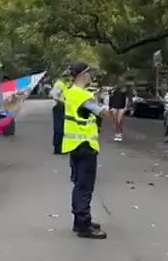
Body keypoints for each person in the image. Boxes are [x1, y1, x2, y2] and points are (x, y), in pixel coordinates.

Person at [62, 62, 109, 239]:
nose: (91, 76)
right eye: (89, 73)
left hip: (75, 146)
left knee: (79, 184)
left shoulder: (71, 93)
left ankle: (79, 221)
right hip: (85, 146)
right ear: (82, 75)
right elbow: (104, 114)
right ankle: (83, 224)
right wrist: (107, 108)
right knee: (84, 186)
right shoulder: (82, 95)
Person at [49, 72, 72, 154]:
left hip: (64, 107)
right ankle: (58, 147)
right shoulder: (59, 84)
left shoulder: (66, 85)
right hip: (59, 107)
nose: (68, 78)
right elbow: (53, 95)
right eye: (67, 77)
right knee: (59, 127)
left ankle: (62, 146)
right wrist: (62, 101)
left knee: (63, 127)